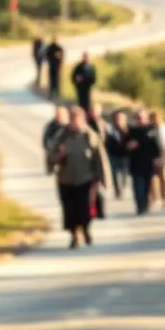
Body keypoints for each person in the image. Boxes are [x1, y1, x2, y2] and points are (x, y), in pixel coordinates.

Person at [47, 106, 109, 248]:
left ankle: (86, 229)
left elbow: (100, 159)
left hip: (85, 180)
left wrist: (103, 179)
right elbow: (51, 157)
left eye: (77, 118)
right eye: (72, 118)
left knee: (85, 209)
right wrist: (59, 156)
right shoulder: (62, 136)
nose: (74, 121)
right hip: (66, 180)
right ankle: (75, 235)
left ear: (82, 119)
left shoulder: (90, 136)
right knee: (70, 210)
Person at [125, 109, 161, 215]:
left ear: (146, 118)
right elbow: (125, 144)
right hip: (135, 162)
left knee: (147, 185)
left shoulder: (151, 129)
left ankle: (145, 204)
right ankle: (139, 206)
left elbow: (154, 144)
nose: (140, 120)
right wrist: (129, 146)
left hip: (148, 161)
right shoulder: (131, 130)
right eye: (138, 118)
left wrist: (157, 158)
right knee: (137, 186)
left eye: (142, 118)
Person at [105, 111, 130, 200]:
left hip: (124, 155)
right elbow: (106, 142)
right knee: (114, 174)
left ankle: (123, 187)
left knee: (124, 173)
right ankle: (117, 191)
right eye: (117, 118)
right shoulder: (110, 130)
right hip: (113, 154)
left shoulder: (128, 130)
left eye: (121, 118)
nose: (119, 120)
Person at [42, 105, 69, 175]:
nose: (59, 116)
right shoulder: (51, 125)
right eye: (58, 114)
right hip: (53, 147)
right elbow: (46, 138)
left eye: (61, 114)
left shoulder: (68, 126)